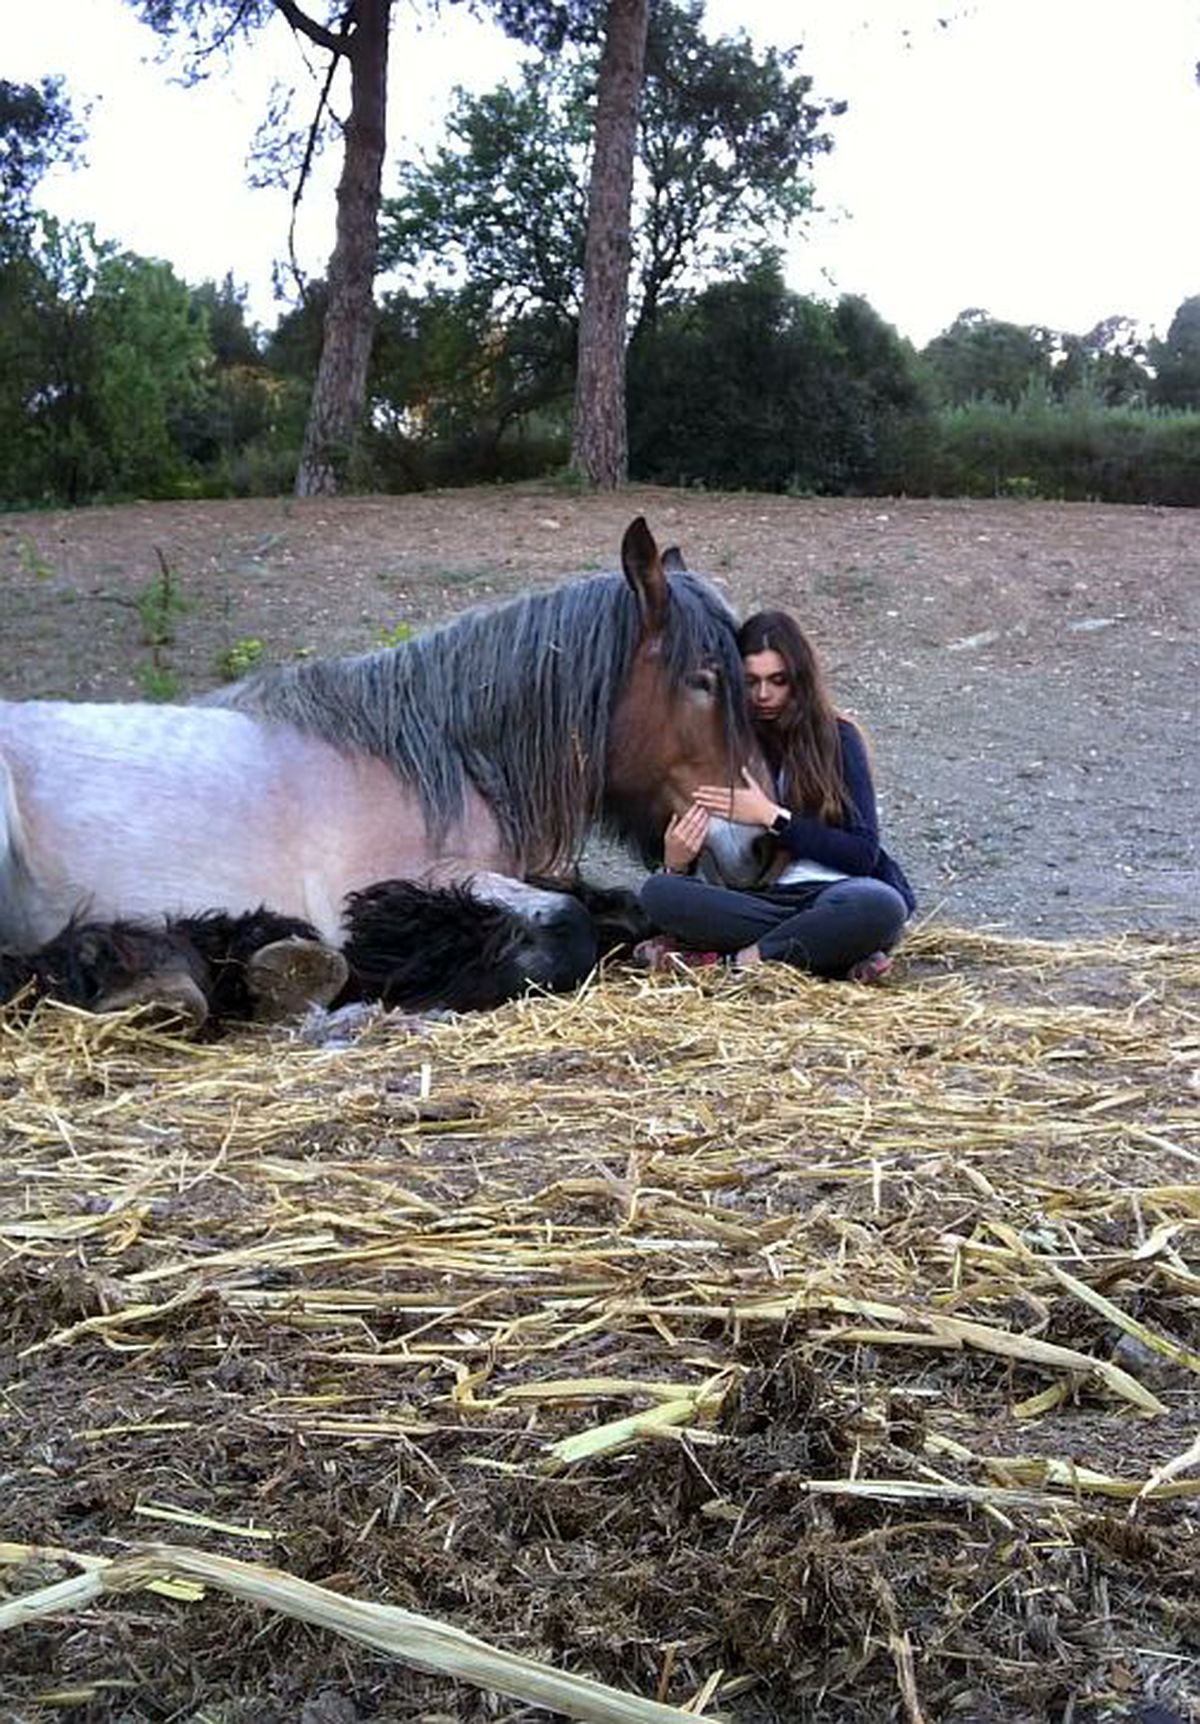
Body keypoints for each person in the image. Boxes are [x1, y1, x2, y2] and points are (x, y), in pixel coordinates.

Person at [637, 610, 915, 981]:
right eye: (751, 681)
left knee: (880, 905)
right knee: (659, 892)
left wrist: (772, 817)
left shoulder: (839, 738)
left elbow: (862, 855)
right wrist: (676, 864)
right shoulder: (728, 745)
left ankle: (738, 962)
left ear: (799, 680)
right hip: (762, 904)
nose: (763, 695)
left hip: (836, 894)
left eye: (777, 681)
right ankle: (828, 952)